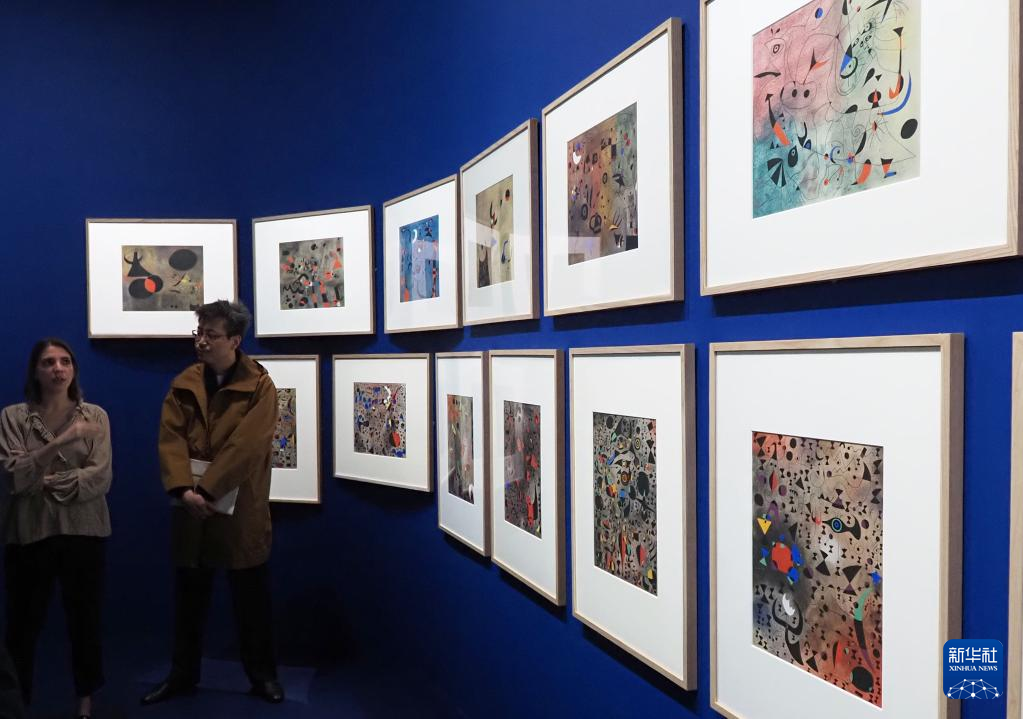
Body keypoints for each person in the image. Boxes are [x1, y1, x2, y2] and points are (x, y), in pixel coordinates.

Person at [141, 300, 284, 706]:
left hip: (240, 510)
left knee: (251, 600)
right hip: (191, 509)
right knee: (189, 600)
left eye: (211, 335)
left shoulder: (260, 386)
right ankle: (182, 674)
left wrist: (205, 491)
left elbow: (248, 445)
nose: (201, 341)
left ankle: (263, 677)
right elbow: (170, 439)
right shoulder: (183, 383)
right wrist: (182, 490)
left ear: (235, 340)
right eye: (199, 333)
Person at [0, 338, 112, 719]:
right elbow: (14, 478)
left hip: (85, 533)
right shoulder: (12, 418)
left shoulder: (96, 416)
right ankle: (15, 705)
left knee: (85, 623)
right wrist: (63, 441)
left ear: (74, 369)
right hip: (29, 534)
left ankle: (85, 703)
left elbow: (99, 479)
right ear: (35, 370)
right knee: (21, 626)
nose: (58, 369)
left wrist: (43, 481)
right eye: (48, 362)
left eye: (65, 361)